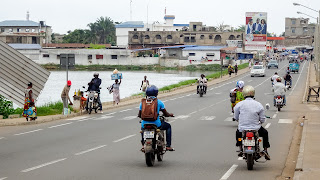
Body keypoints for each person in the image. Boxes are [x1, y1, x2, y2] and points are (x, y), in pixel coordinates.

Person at [234, 85, 271, 160]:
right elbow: (262, 119)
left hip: (242, 129)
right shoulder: (258, 104)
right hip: (256, 129)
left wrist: (238, 119)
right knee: (265, 133)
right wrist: (260, 121)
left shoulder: (239, 104)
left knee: (238, 134)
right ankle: (265, 150)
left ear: (243, 94)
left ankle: (240, 147)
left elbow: (236, 117)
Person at [138, 85, 175, 151]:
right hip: (156, 124)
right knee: (168, 126)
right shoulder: (159, 102)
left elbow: (139, 115)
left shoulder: (142, 102)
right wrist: (170, 115)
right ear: (156, 93)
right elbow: (165, 114)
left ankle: (143, 145)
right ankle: (168, 145)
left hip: (144, 124)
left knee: (142, 129)